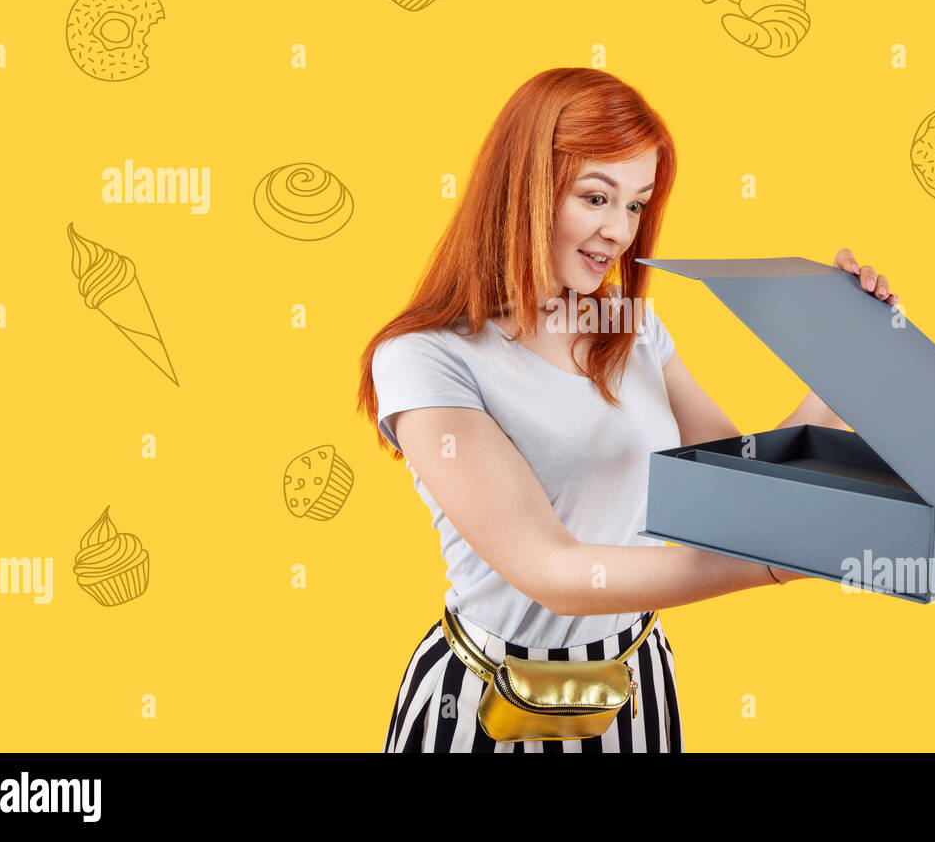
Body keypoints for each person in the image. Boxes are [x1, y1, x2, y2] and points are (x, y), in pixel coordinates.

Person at [356, 67, 900, 753]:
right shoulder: (425, 357)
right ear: (524, 186)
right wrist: (768, 565)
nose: (619, 230)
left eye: (637, 204)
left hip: (636, 690)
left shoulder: (632, 324)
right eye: (595, 197)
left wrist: (845, 366)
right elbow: (551, 568)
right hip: (488, 704)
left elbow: (739, 488)